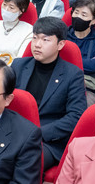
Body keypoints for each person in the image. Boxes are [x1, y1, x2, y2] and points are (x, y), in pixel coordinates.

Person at [12, 17, 87, 169]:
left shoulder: (73, 75)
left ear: (60, 44)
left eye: (45, 40)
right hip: (13, 131)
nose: (37, 45)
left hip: (46, 140)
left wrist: (38, 133)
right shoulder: (18, 65)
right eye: (34, 38)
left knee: (23, 160)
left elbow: (75, 117)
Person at [67, 0, 95, 103]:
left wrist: (66, 61)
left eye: (84, 14)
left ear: (94, 20)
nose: (78, 17)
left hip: (87, 87)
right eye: (76, 12)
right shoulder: (61, 35)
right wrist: (86, 62)